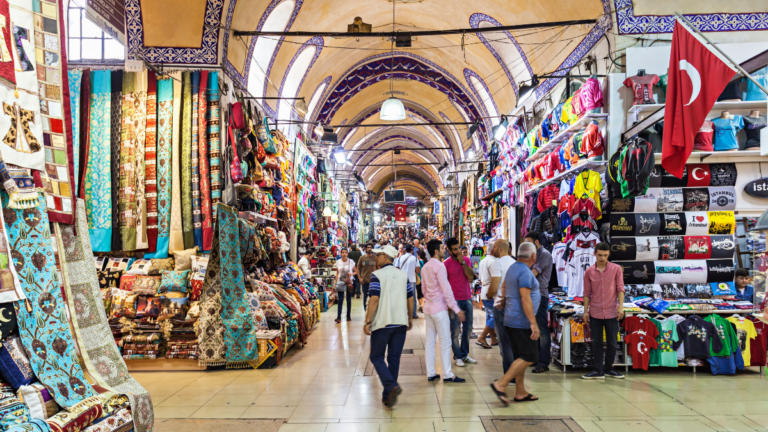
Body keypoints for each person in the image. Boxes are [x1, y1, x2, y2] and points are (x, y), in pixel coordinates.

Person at [490, 242, 541, 406]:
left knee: (520, 355)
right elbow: (525, 298)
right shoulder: (525, 272)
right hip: (522, 322)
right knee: (529, 356)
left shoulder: (513, 267)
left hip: (511, 319)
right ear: (533, 256)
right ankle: (501, 384)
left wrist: (505, 299)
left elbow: (504, 286)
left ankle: (520, 392)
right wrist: (533, 323)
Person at [363, 245, 414, 407]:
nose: (376, 258)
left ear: (385, 257)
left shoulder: (377, 275)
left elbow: (374, 299)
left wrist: (367, 321)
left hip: (382, 323)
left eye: (378, 255)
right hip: (400, 322)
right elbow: (410, 298)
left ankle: (391, 386)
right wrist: (409, 317)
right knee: (393, 359)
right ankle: (388, 395)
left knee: (376, 356)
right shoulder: (403, 275)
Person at [422, 239, 466, 383]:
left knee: (430, 341)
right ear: (436, 251)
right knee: (445, 341)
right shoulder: (440, 266)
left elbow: (423, 289)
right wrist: (455, 308)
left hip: (428, 308)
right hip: (439, 309)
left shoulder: (425, 267)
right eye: (442, 248)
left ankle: (431, 373)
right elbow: (446, 289)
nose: (444, 250)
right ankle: (447, 374)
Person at [582, 242, 625, 380]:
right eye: (600, 255)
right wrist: (585, 311)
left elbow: (620, 288)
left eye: (605, 255)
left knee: (612, 342)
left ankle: (609, 368)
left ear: (608, 255)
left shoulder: (616, 269)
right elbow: (587, 293)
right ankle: (597, 370)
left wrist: (620, 306)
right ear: (594, 254)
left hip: (612, 311)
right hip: (595, 311)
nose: (602, 258)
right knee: (597, 342)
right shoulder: (589, 271)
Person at [524, 232, 554, 373]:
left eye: (528, 243)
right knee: (533, 328)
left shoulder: (544, 255)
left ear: (536, 242)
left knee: (542, 329)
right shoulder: (531, 255)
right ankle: (535, 358)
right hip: (531, 295)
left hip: (540, 296)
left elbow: (532, 274)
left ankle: (543, 362)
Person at [444, 237, 477, 367]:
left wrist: (462, 262)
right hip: (453, 300)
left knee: (468, 329)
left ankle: (465, 354)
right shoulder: (446, 264)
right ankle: (457, 356)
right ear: (449, 250)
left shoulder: (467, 260)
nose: (458, 251)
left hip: (467, 298)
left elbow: (470, 278)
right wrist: (447, 303)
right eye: (455, 249)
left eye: (459, 248)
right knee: (455, 330)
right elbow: (444, 285)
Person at [486, 240, 515, 374]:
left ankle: (509, 376)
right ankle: (515, 374)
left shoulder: (497, 264)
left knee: (504, 342)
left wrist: (489, 294)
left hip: (500, 306)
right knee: (514, 341)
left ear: (501, 249)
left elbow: (494, 287)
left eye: (496, 248)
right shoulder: (515, 263)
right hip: (514, 306)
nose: (493, 250)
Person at [476, 241, 498, 349]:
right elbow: (495, 279)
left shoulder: (482, 261)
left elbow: (480, 280)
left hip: (484, 292)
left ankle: (493, 339)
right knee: (494, 317)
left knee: (489, 316)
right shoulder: (494, 262)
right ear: (493, 250)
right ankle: (482, 336)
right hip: (491, 292)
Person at [395, 244, 419, 319]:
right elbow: (418, 270)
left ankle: (402, 313)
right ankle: (413, 313)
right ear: (412, 250)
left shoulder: (400, 258)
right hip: (412, 280)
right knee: (412, 297)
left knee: (402, 297)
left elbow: (396, 268)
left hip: (402, 280)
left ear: (405, 250)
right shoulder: (415, 258)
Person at [334, 248, 358, 324]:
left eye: (345, 252)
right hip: (340, 282)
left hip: (348, 283)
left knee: (348, 300)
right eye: (343, 252)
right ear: (341, 253)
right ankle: (338, 316)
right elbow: (337, 274)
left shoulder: (351, 262)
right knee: (340, 300)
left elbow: (356, 272)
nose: (344, 253)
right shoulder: (338, 262)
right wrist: (334, 284)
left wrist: (351, 274)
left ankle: (348, 315)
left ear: (347, 253)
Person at [358, 244, 378, 310]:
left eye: (371, 247)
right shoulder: (362, 258)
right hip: (365, 281)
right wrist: (360, 278)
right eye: (368, 247)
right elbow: (358, 268)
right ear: (366, 249)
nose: (369, 248)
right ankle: (365, 311)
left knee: (374, 297)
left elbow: (378, 268)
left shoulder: (376, 258)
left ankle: (372, 311)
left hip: (374, 281)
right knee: (365, 297)